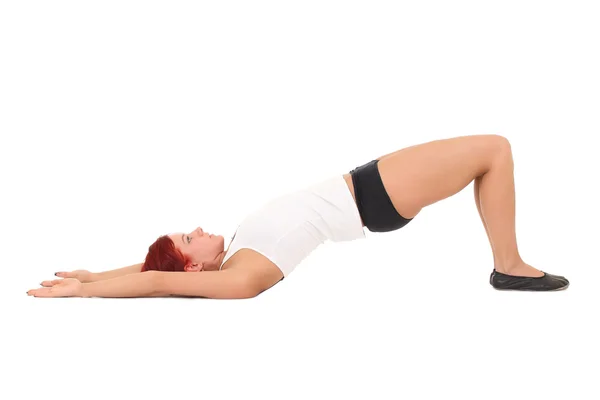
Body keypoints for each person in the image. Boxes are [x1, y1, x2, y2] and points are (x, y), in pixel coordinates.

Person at [27, 134, 570, 298]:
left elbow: (151, 269)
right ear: (191, 269)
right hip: (372, 195)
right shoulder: (243, 274)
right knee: (494, 150)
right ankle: (509, 265)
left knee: (491, 154)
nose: (197, 228)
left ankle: (508, 262)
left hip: (364, 183)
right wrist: (89, 294)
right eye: (190, 238)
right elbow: (157, 277)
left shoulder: (238, 250)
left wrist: (94, 274)